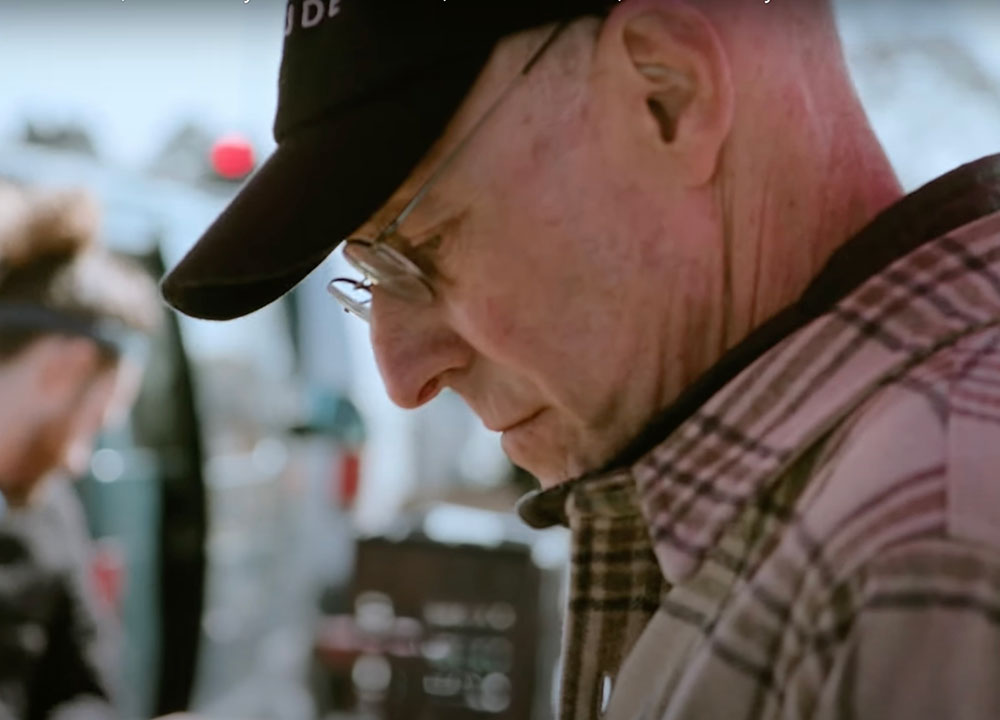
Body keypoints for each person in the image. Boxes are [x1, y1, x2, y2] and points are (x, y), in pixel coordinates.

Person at [162, 1, 1000, 718]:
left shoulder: (925, 552)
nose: (401, 378)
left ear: (667, 93)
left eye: (421, 247)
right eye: (369, 276)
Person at [0, 181, 160, 720]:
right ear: (64, 367)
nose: (78, 459)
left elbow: (85, 688)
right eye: (93, 424)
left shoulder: (46, 513)